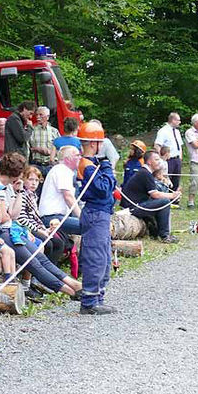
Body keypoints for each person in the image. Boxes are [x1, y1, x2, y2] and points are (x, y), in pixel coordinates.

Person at [0, 154, 81, 299]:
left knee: (41, 258)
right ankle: (70, 291)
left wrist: (19, 192)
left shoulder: (10, 188)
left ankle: (73, 284)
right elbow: (4, 218)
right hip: (1, 232)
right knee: (33, 262)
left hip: (13, 229)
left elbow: (13, 215)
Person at [76, 121, 119, 315]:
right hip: (95, 213)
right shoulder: (88, 166)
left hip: (100, 213)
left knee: (104, 257)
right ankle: (89, 301)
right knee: (96, 257)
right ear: (95, 144)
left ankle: (98, 297)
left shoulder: (92, 164)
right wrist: (108, 167)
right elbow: (103, 189)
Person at [20, 166, 78, 279]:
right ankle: (39, 276)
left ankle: (50, 274)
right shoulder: (22, 195)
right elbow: (23, 219)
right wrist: (39, 229)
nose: (34, 183)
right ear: (24, 179)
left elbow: (36, 217)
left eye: (36, 180)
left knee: (59, 243)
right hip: (27, 228)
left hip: (36, 226)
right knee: (48, 244)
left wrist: (44, 229)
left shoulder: (33, 195)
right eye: (30, 179)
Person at [121, 150, 180, 243]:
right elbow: (155, 194)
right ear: (149, 161)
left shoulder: (145, 173)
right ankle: (165, 235)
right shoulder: (145, 173)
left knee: (161, 202)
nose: (159, 162)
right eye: (156, 160)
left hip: (137, 205)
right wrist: (172, 195)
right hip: (132, 208)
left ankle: (158, 231)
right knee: (164, 202)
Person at [39, 145, 82, 235]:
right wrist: (82, 217)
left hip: (57, 216)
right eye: (77, 155)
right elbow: (68, 197)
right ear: (67, 159)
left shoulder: (63, 171)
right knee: (90, 227)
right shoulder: (62, 170)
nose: (80, 158)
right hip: (52, 218)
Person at [154, 112, 184, 192]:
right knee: (167, 180)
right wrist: (160, 159)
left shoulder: (177, 132)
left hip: (177, 159)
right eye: (178, 120)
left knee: (176, 180)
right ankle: (166, 199)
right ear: (173, 120)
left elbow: (180, 146)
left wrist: (180, 158)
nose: (179, 122)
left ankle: (174, 200)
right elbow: (157, 145)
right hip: (168, 160)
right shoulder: (163, 131)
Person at [29, 106, 59, 174]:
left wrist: (51, 153)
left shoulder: (54, 131)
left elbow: (60, 149)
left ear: (47, 117)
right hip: (36, 165)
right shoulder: (31, 130)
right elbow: (26, 148)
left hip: (50, 165)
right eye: (37, 115)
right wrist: (36, 149)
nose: (38, 117)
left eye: (41, 115)